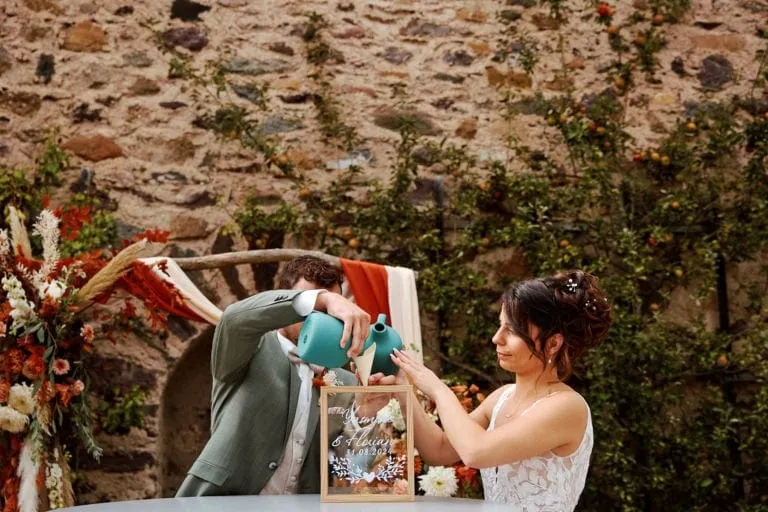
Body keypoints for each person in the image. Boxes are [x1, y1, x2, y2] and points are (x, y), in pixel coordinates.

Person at [383, 270, 611, 510]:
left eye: (511, 331)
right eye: (500, 326)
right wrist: (404, 393)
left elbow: (475, 452)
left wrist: (439, 390)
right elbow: (439, 449)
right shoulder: (501, 398)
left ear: (553, 343)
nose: (496, 338)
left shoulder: (567, 407)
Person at [176, 256, 372, 496]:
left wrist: (367, 419)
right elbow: (234, 319)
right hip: (223, 503)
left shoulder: (346, 381)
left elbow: (353, 464)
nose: (319, 318)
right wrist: (324, 299)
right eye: (313, 309)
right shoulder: (249, 347)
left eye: (327, 312)